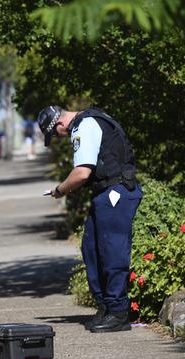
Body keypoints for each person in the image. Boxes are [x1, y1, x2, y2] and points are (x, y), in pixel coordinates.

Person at [37, 105, 142, 333]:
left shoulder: (84, 126)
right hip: (106, 193)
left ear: (59, 124)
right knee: (92, 249)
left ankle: (118, 312)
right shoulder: (87, 122)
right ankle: (105, 307)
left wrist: (60, 190)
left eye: (55, 134)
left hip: (116, 192)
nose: (58, 138)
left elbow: (82, 172)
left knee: (112, 252)